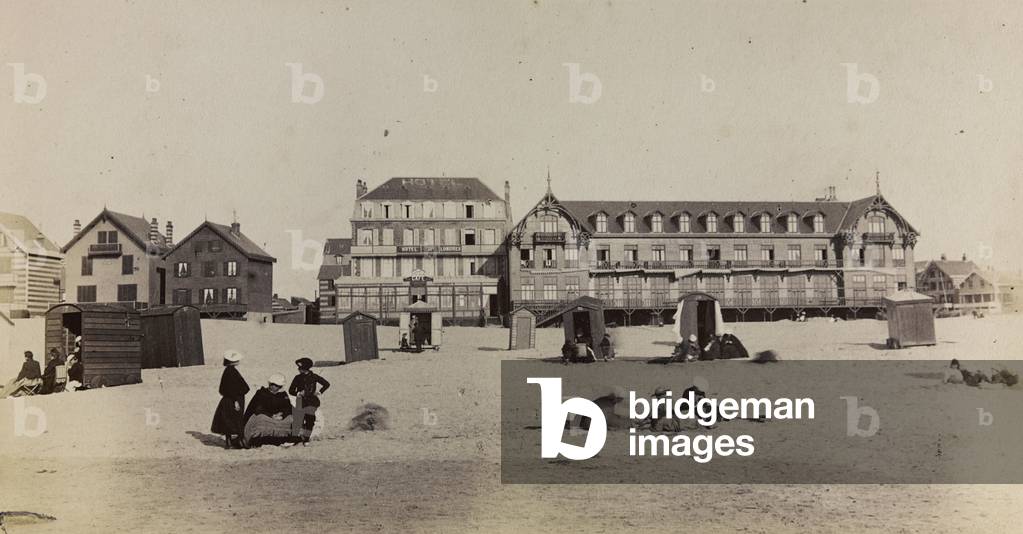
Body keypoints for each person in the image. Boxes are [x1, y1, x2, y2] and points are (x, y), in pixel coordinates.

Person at [242, 373, 298, 447]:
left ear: (280, 386)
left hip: (278, 417)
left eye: (276, 385)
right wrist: (271, 415)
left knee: (291, 419)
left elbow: (288, 407)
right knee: (261, 419)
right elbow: (257, 408)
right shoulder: (262, 393)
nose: (273, 386)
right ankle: (257, 440)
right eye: (272, 384)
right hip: (265, 415)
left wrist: (282, 414)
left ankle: (286, 439)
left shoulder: (282, 394)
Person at [211, 350, 249, 449]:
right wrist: (235, 401)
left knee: (229, 420)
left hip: (230, 399)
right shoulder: (232, 372)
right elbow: (231, 389)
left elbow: (224, 389)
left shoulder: (228, 371)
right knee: (236, 420)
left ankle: (229, 442)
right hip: (234, 399)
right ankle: (241, 442)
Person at [288, 357, 331, 443]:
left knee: (310, 419)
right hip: (300, 401)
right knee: (298, 419)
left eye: (300, 368)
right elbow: (291, 390)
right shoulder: (297, 378)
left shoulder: (314, 377)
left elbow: (326, 384)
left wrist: (319, 392)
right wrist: (299, 393)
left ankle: (306, 439)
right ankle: (295, 439)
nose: (298, 369)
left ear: (305, 368)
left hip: (311, 401)